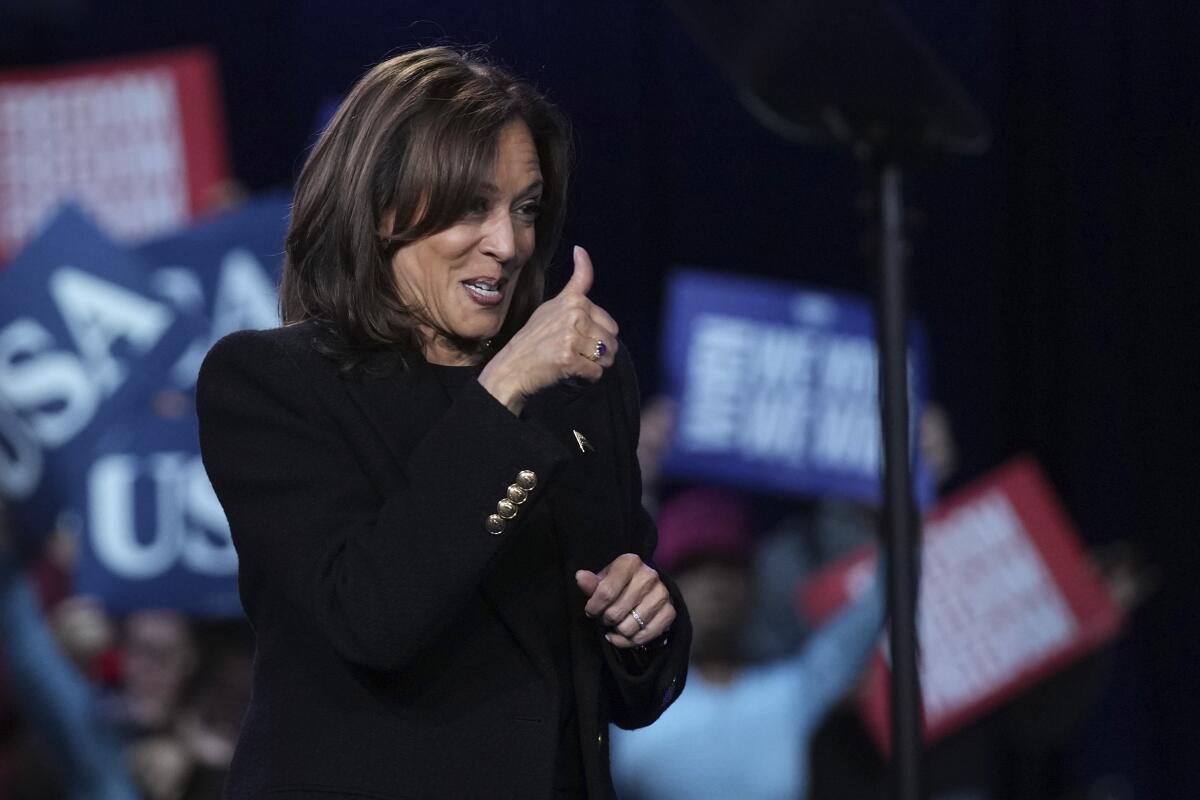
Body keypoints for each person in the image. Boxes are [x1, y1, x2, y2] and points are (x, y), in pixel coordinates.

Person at [196, 46, 690, 800]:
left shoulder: (582, 385)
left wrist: (645, 623)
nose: (509, 242)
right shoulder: (269, 383)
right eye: (471, 207)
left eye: (525, 208)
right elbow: (371, 616)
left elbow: (624, 688)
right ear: (379, 205)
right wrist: (506, 387)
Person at [610, 488, 885, 800]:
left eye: (730, 566)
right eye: (694, 567)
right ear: (660, 587)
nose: (716, 584)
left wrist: (900, 505)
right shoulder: (626, 707)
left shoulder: (786, 694)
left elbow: (875, 607)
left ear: (753, 583)